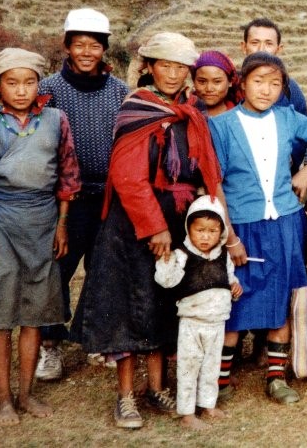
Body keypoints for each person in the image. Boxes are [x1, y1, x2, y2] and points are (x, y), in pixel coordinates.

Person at [71, 32, 225, 429]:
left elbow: (204, 168)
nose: (173, 74)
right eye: (165, 65)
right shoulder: (137, 110)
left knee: (164, 303)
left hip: (179, 220)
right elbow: (127, 177)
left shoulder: (189, 111)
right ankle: (125, 397)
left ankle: (157, 389)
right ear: (149, 68)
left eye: (180, 67)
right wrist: (154, 228)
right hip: (133, 225)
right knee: (128, 307)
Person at [0, 47, 81, 425]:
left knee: (34, 315)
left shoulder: (56, 120)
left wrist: (62, 224)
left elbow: (68, 177)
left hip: (44, 221)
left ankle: (27, 394)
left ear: (38, 84)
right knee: (1, 316)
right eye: (12, 83)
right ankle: (3, 399)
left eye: (29, 82)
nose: (21, 90)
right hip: (1, 223)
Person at [209, 52, 307, 405]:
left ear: (284, 88)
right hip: (243, 226)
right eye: (258, 81)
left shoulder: (288, 117)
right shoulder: (221, 125)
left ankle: (276, 378)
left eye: (275, 83)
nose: (266, 90)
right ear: (242, 83)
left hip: (286, 221)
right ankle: (220, 381)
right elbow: (215, 184)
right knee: (236, 301)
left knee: (285, 296)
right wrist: (229, 236)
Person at [35, 8, 129, 381]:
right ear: (67, 46)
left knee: (104, 269)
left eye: (95, 45)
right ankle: (50, 345)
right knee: (57, 269)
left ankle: (97, 337)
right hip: (65, 199)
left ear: (104, 49)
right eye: (79, 45)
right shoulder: (48, 89)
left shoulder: (120, 91)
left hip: (109, 194)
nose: (87, 52)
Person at [154, 196, 243, 430]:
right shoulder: (182, 255)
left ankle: (208, 404)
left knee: (211, 366)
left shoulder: (223, 256)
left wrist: (234, 286)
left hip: (217, 322)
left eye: (212, 231)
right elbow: (166, 281)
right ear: (189, 229)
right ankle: (187, 413)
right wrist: (165, 262)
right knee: (188, 366)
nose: (206, 236)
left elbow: (229, 278)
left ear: (222, 232)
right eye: (200, 230)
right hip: (192, 323)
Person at [240, 18, 307, 172]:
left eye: (269, 43)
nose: (262, 49)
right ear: (244, 47)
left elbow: (303, 136)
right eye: (255, 42)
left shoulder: (291, 89)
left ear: (279, 49)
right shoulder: (230, 84)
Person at [192, 50, 240, 118]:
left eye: (217, 82)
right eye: (202, 82)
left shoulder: (240, 117)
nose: (209, 88)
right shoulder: (183, 114)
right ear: (194, 82)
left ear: (230, 81)